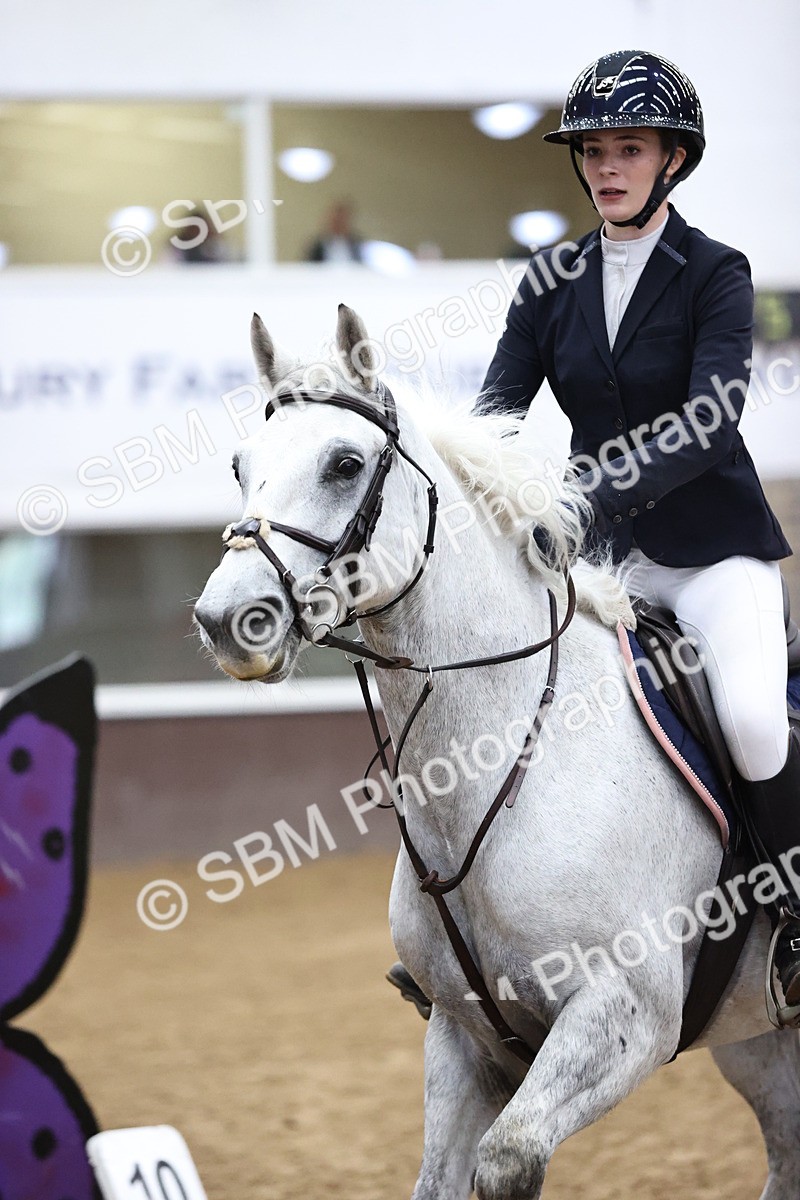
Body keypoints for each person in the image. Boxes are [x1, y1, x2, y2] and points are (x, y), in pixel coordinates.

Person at [387, 49, 800, 1019]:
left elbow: (708, 419)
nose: (605, 167)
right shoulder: (550, 279)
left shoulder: (715, 274)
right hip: (604, 565)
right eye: (592, 151)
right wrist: (474, 494)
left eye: (628, 148)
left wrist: (579, 495)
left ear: (670, 161)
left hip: (709, 554)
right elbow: (494, 411)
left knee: (745, 715)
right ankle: (464, 942)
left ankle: (789, 916)